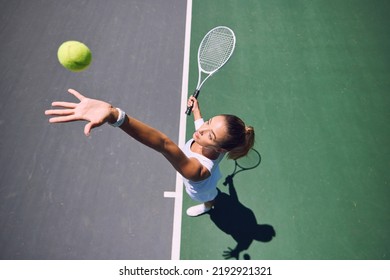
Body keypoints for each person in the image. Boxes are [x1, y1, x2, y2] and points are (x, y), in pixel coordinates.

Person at [45, 89, 255, 216]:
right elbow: (201, 124)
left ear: (219, 149)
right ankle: (212, 200)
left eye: (210, 135)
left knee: (208, 195)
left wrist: (116, 115)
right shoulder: (216, 144)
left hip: (201, 188)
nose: (201, 130)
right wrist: (197, 110)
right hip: (214, 169)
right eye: (209, 123)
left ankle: (209, 205)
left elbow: (164, 144)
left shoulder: (197, 171)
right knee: (214, 188)